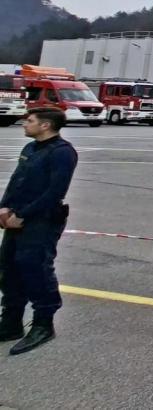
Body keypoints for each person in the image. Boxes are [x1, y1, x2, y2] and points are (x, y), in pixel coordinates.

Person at [0, 107, 77, 355]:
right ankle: (11, 322)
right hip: (16, 218)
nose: (24, 123)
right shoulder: (30, 148)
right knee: (8, 267)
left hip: (41, 221)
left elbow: (55, 192)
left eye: (30, 120)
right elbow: (16, 180)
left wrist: (22, 215)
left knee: (36, 268)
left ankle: (44, 324)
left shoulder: (62, 153)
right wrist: (4, 207)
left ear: (45, 125)